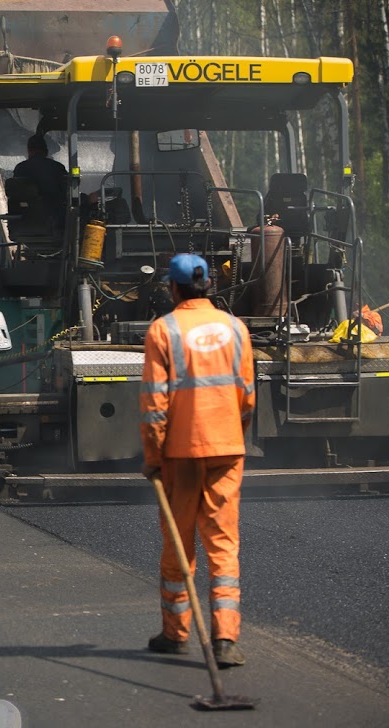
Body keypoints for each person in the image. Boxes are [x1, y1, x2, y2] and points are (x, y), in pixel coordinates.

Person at [139, 253, 255, 668]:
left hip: (181, 454)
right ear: (209, 286)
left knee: (179, 543)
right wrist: (230, 432)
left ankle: (177, 634)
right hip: (227, 449)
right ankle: (225, 639)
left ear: (172, 287)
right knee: (223, 545)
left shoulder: (163, 330)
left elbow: (155, 406)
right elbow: (246, 394)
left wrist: (153, 457)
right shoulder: (236, 328)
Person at [12, 133, 68, 223]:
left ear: (29, 151)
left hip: (25, 220)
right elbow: (67, 191)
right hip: (55, 220)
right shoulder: (57, 167)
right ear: (46, 151)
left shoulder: (20, 168)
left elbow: (14, 194)